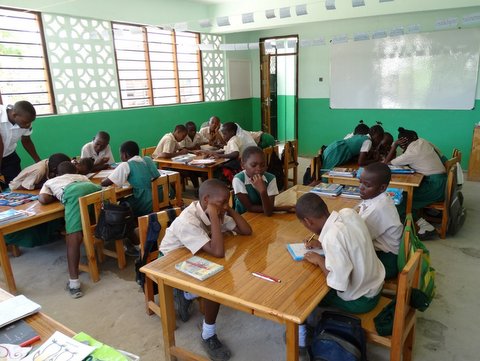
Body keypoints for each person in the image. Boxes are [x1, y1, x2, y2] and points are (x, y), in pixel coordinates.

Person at [160, 179, 252, 361]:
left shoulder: (216, 210)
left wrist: (229, 210)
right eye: (222, 203)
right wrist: (216, 218)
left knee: (221, 273)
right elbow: (218, 252)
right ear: (206, 200)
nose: (225, 207)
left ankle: (186, 295)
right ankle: (207, 334)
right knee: (216, 281)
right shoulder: (188, 220)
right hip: (169, 263)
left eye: (228, 202)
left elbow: (246, 231)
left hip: (192, 255)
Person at [295, 193, 384, 354]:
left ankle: (303, 338)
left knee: (307, 292)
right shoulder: (348, 213)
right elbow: (347, 241)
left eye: (304, 224)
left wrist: (319, 260)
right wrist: (322, 243)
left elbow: (339, 285)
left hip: (362, 299)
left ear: (308, 221)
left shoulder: (332, 237)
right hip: (376, 284)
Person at [38, 161, 101, 298]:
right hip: (94, 191)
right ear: (75, 172)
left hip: (73, 195)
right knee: (95, 217)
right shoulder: (83, 177)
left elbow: (43, 199)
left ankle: (74, 284)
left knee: (74, 236)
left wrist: (55, 194)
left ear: (57, 174)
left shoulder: (51, 181)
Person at [383, 127, 446, 238]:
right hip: (441, 181)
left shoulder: (412, 153)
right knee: (407, 194)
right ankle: (420, 220)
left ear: (403, 143)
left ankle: (425, 227)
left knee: (401, 200)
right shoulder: (423, 141)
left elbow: (386, 164)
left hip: (435, 186)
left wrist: (394, 145)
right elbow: (442, 157)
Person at [358, 162, 403, 279]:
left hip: (387, 261)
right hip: (383, 252)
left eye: (367, 185)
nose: (361, 188)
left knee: (343, 265)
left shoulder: (378, 209)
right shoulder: (379, 198)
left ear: (382, 187)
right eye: (360, 182)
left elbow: (358, 239)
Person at [101, 141, 159, 218]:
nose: (120, 157)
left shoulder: (126, 165)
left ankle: (129, 224)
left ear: (125, 155)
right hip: (161, 196)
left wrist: (106, 178)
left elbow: (105, 183)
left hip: (146, 202)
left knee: (122, 202)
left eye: (120, 154)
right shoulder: (147, 159)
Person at [232, 146, 294, 215]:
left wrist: (263, 192)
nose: (259, 169)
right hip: (244, 217)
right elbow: (250, 208)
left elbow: (268, 212)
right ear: (243, 165)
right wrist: (262, 191)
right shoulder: (238, 180)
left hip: (262, 216)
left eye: (263, 165)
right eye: (253, 165)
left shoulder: (271, 178)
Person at [0, 100, 41, 183]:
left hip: (9, 156)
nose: (28, 125)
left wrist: (38, 161)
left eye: (30, 122)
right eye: (25, 122)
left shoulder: (25, 120)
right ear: (14, 115)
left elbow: (26, 141)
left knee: (15, 185)